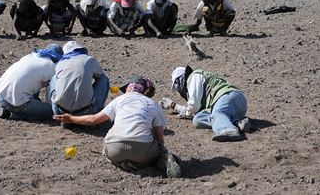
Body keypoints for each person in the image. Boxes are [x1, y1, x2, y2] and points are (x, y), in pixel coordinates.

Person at [53, 76, 181, 178]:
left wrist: (70, 118)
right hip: (141, 150)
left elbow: (93, 120)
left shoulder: (119, 100)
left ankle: (122, 162)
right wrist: (160, 149)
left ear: (129, 88)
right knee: (158, 149)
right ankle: (159, 160)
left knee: (110, 146)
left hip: (114, 148)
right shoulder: (153, 104)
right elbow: (160, 137)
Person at [161, 66, 250, 142]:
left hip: (228, 96)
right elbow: (195, 111)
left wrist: (177, 107)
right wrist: (174, 106)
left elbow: (194, 106)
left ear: (180, 79)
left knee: (218, 114)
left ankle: (228, 130)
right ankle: (237, 122)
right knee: (198, 119)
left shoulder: (194, 77)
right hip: (234, 105)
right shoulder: (196, 82)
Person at [0, 44, 63, 121]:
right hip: (14, 101)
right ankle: (11, 114)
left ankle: (6, 108)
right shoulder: (52, 67)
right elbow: (50, 97)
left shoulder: (31, 56)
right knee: (53, 113)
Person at [48, 41, 109, 119]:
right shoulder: (89, 60)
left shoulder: (61, 63)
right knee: (103, 78)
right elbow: (99, 74)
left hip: (59, 111)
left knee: (54, 77)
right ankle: (96, 113)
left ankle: (52, 107)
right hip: (87, 112)